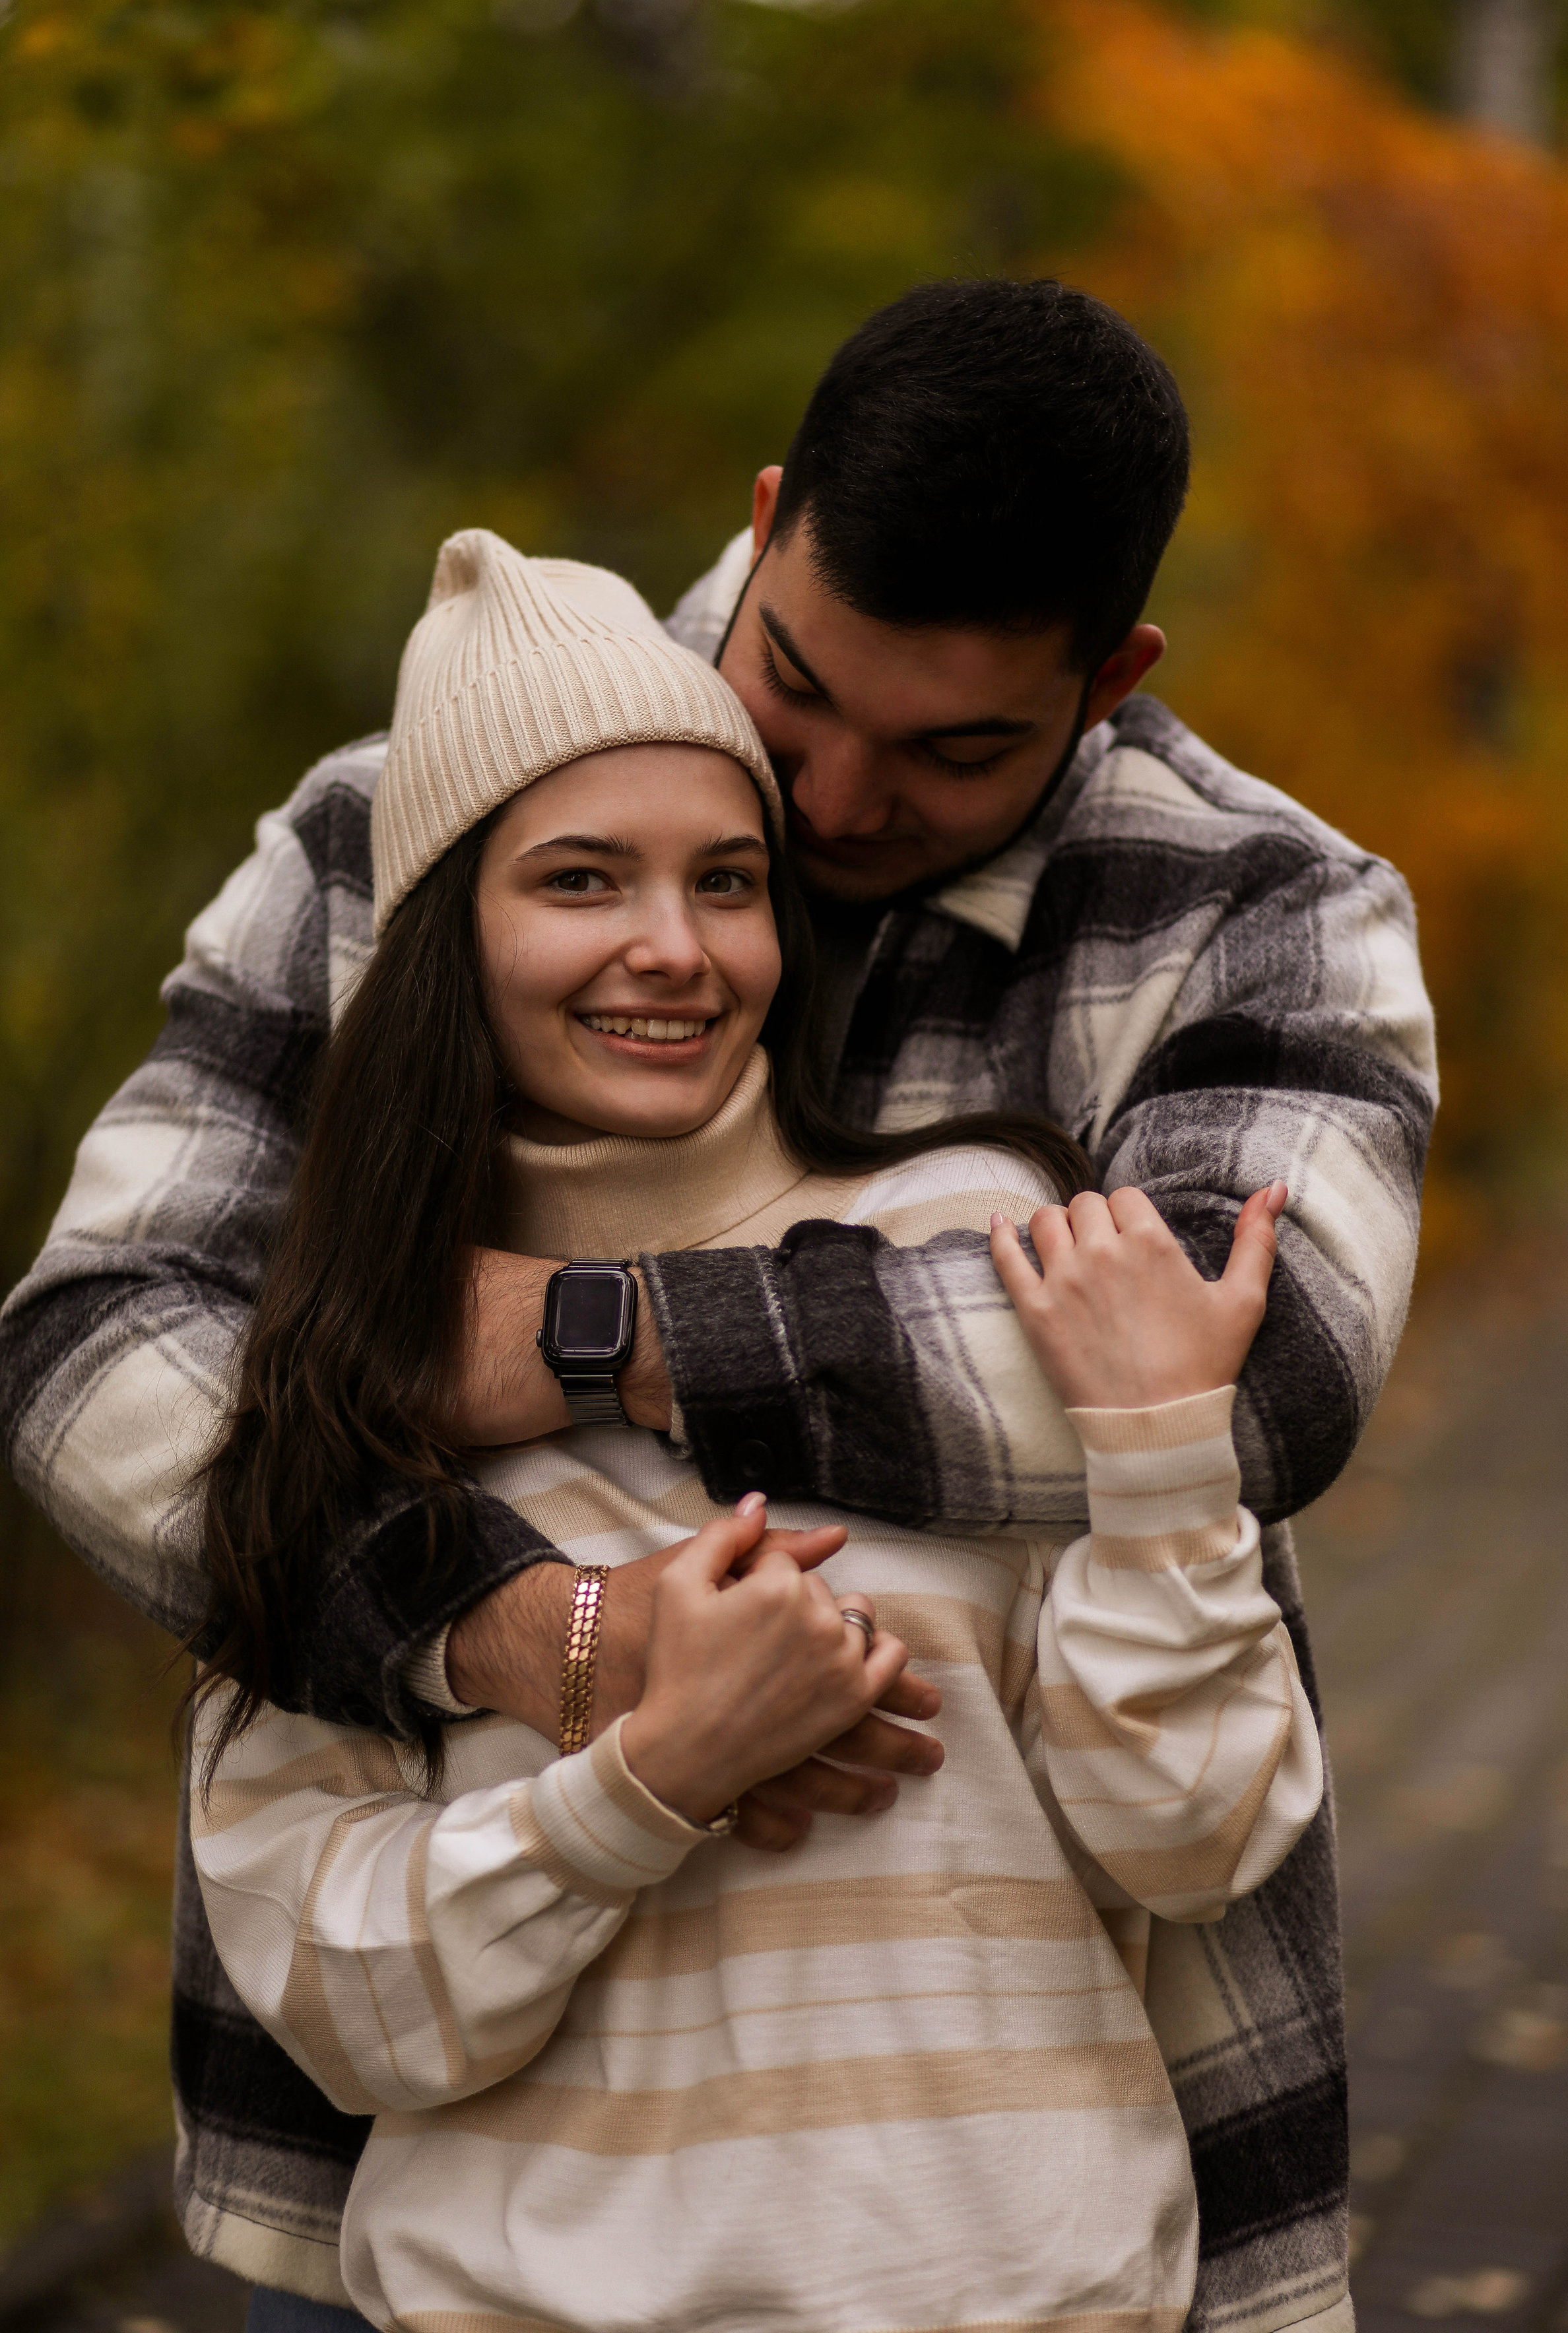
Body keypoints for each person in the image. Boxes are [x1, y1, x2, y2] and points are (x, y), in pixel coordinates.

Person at [0, 279, 1437, 2333]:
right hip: (421, 2188)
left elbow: (1259, 1372)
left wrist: (569, 1335)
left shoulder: (1258, 913)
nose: (837, 803)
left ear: (1107, 677)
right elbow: (100, 1346)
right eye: (797, 693)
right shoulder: (402, 821)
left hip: (1020, 2192)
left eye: (954, 749)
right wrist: (534, 1634)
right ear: (767, 530)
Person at [190, 529, 1325, 2333]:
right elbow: (350, 2011)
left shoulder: (983, 1251)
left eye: (727, 880)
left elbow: (1193, 1838)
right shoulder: (347, 1383)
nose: (674, 948)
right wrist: (647, 1779)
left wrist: (1171, 1459)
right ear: (440, 938)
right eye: (581, 879)